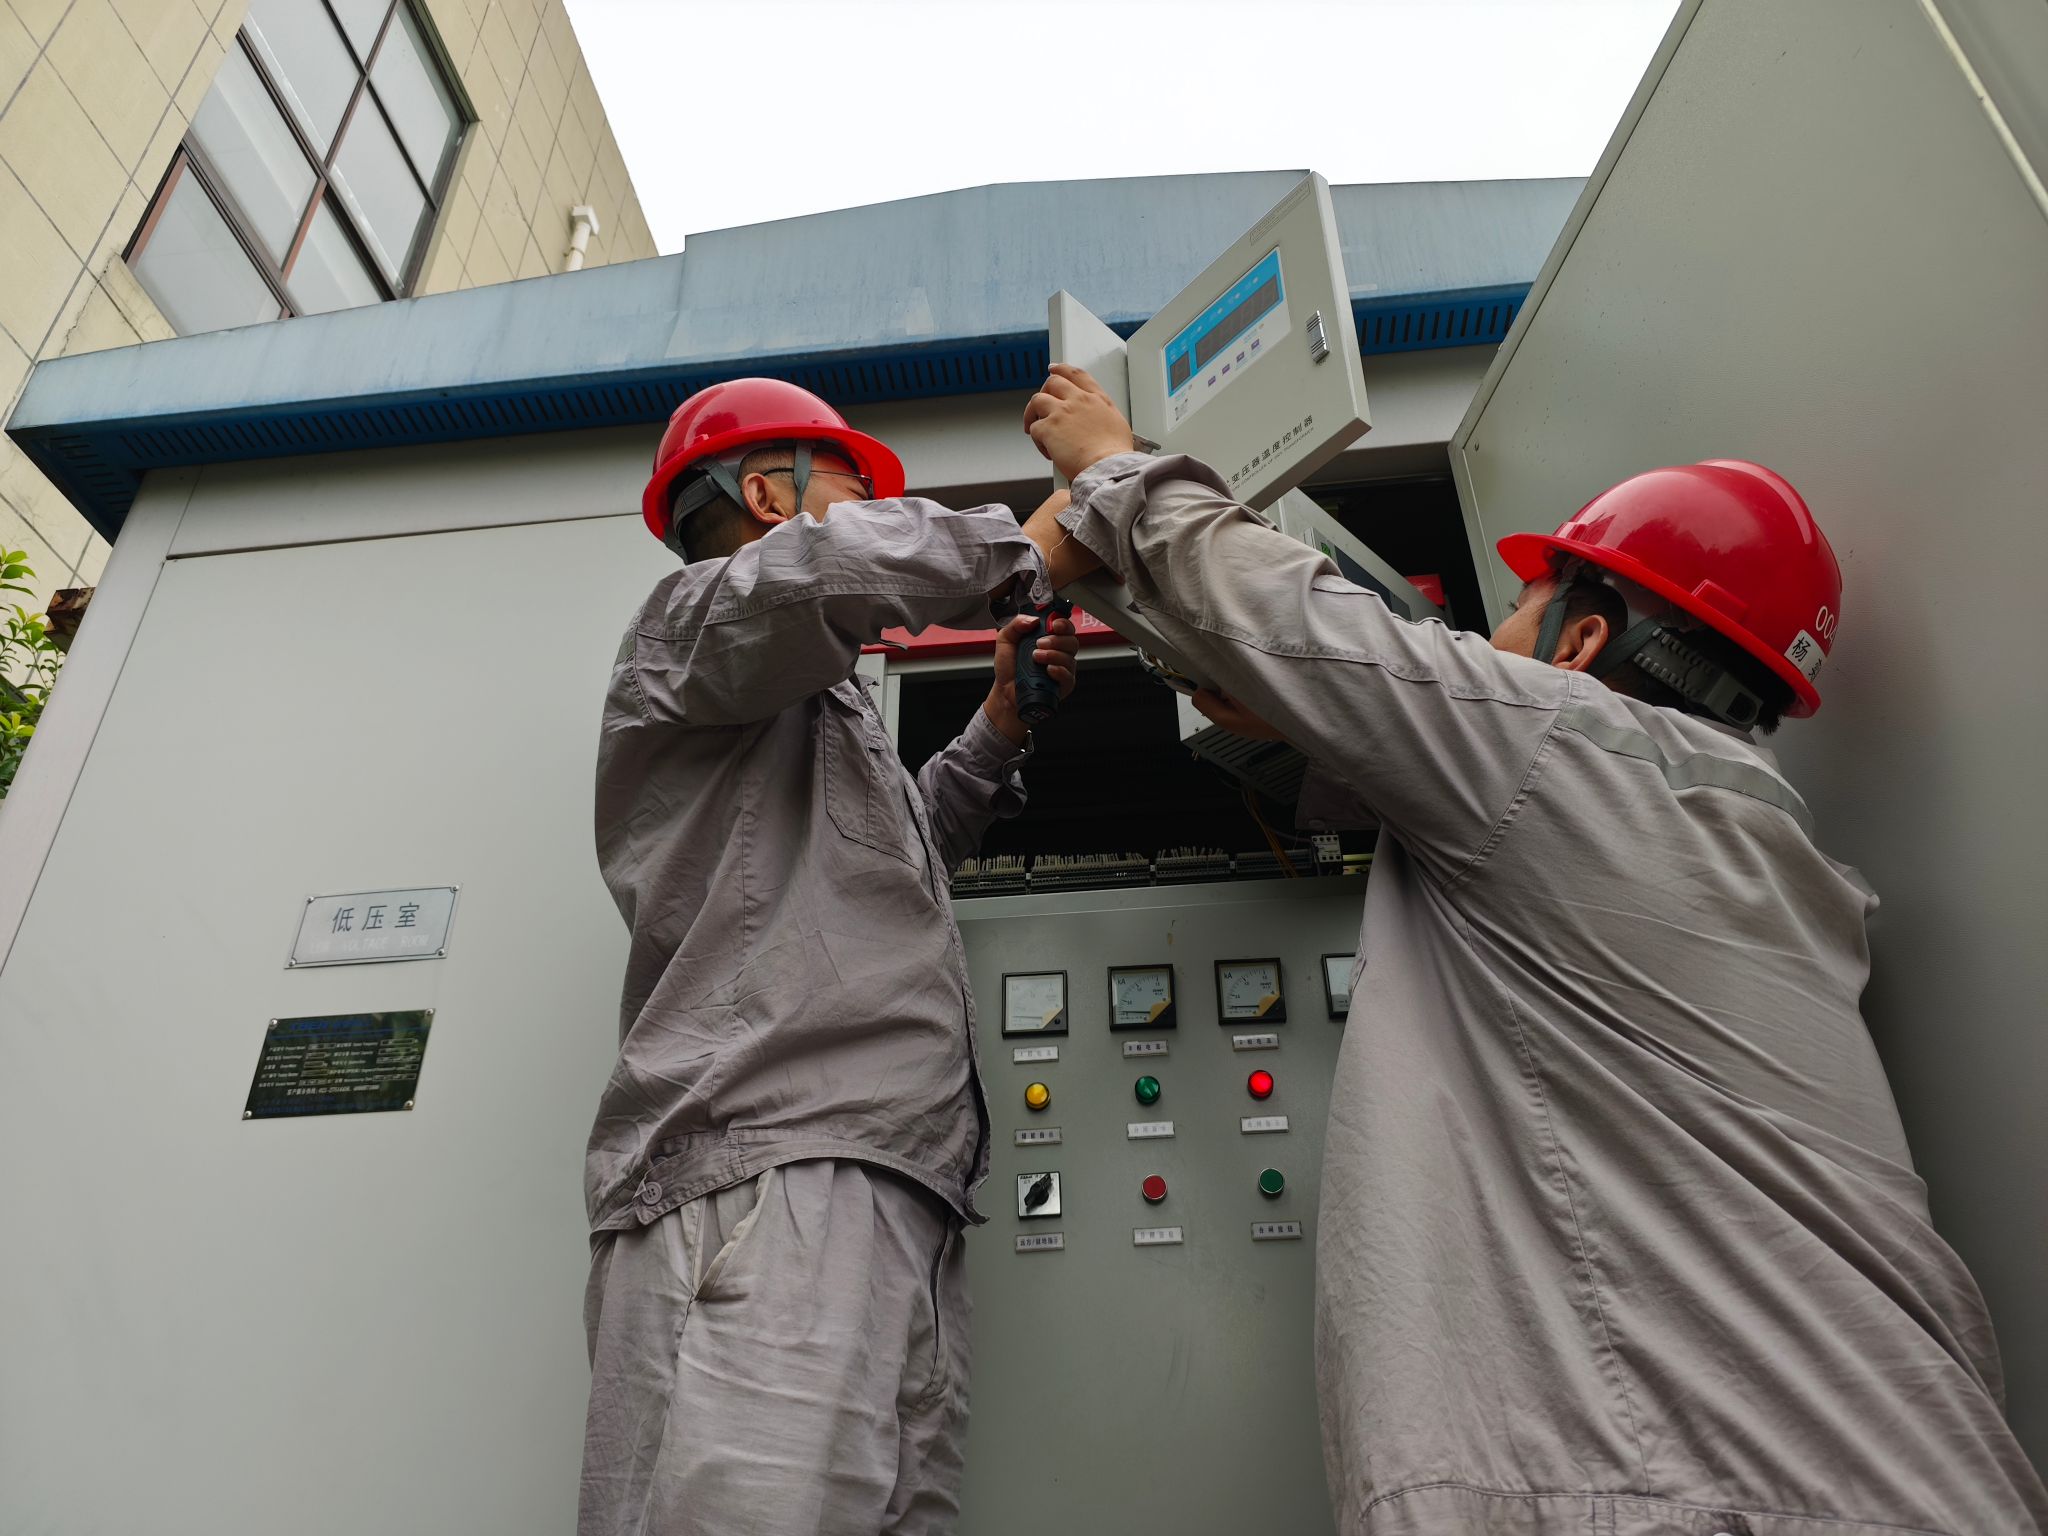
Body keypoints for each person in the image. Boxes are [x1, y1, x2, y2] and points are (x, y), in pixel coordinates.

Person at [1015, 364, 2048, 1535]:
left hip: (1680, 1496)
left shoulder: (1558, 744)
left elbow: (1296, 617)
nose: (1474, 637)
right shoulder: (1749, 841)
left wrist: (1115, 465)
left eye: (1510, 608)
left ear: (1581, 638)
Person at [580, 377, 1078, 1536]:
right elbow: (830, 569)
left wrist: (997, 728)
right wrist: (1040, 539)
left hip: (890, 1191)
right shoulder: (688, 626)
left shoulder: (813, 709)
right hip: (767, 1181)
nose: (876, 514)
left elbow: (895, 861)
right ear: (770, 496)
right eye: (857, 491)